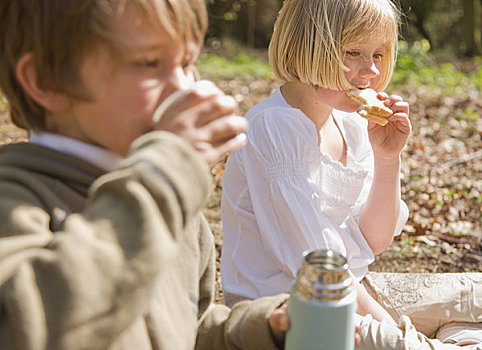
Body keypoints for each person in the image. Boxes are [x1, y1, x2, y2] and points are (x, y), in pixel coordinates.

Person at [0, 0, 294, 349]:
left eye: (187, 63)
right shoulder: (15, 201)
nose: (183, 88)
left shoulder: (167, 202)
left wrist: (263, 327)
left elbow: (182, 327)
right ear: (46, 81)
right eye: (149, 63)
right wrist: (166, 176)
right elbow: (32, 326)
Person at [220, 0, 482, 348]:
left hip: (354, 289)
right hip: (298, 315)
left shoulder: (350, 121)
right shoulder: (273, 128)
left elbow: (373, 240)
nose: (370, 71)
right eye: (353, 52)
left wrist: (388, 157)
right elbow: (322, 274)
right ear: (306, 48)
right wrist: (402, 333)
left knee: (477, 294)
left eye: (377, 55)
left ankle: (457, 336)